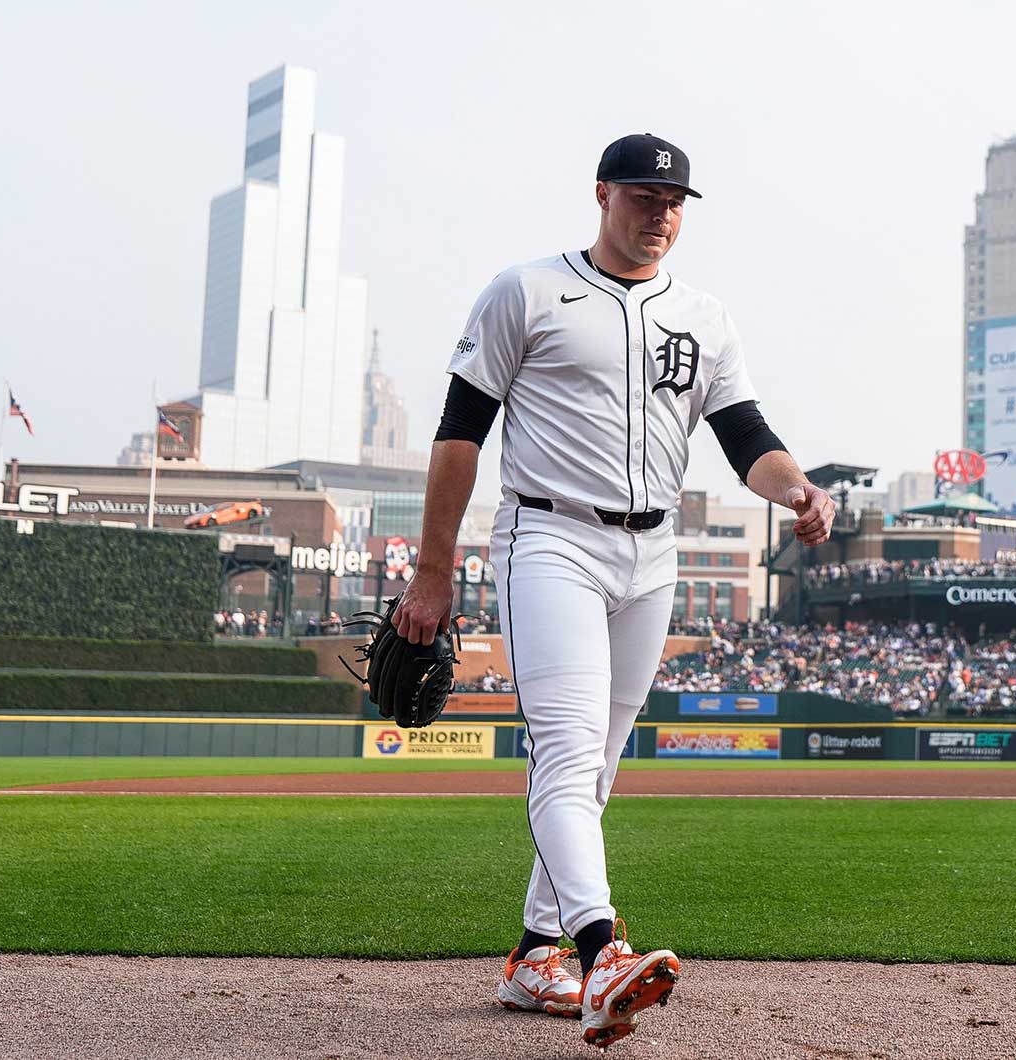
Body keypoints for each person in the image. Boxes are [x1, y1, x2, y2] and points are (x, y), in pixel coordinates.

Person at [390, 133, 835, 1051]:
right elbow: (458, 435)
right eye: (642, 196)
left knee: (597, 763)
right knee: (563, 748)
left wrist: (796, 489)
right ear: (601, 194)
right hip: (548, 535)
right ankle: (603, 953)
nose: (660, 214)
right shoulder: (526, 291)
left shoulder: (705, 315)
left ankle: (532, 955)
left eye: (674, 202)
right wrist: (434, 572)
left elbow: (748, 437)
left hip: (654, 552)